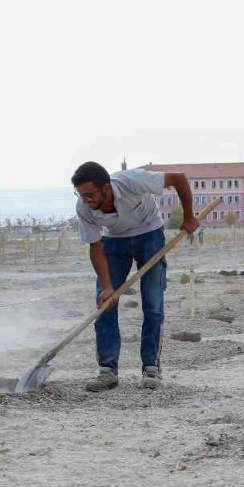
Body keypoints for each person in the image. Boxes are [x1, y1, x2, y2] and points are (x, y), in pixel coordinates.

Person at [72, 162, 198, 392]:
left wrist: (189, 217)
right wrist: (108, 287)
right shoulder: (84, 207)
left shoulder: (133, 181)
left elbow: (178, 178)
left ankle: (151, 368)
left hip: (150, 234)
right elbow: (95, 246)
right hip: (114, 241)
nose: (85, 200)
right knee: (105, 304)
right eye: (81, 195)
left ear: (106, 188)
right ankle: (107, 371)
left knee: (153, 304)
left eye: (89, 194)